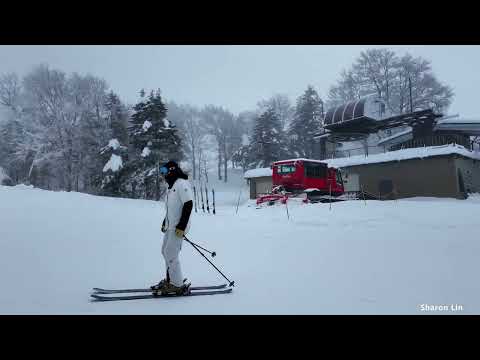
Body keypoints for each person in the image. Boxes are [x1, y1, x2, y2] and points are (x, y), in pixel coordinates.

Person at [151, 160, 194, 295]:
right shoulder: (171, 187)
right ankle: (171, 280)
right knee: (165, 251)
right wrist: (165, 221)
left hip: (179, 227)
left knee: (171, 253)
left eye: (164, 171)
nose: (162, 175)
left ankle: (177, 284)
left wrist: (181, 226)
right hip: (171, 226)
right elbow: (171, 209)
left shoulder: (181, 183)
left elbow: (188, 204)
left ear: (171, 170)